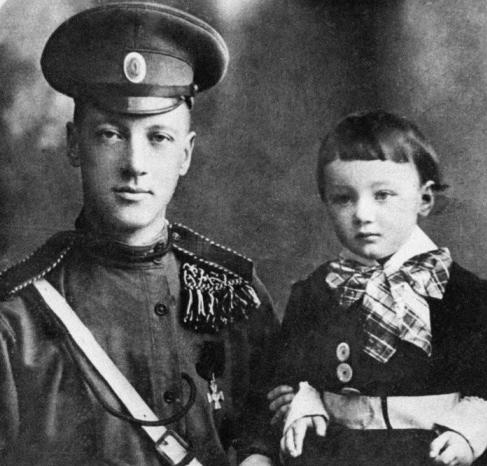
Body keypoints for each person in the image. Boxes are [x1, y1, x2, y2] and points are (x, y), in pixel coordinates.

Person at [0, 3, 278, 465]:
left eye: (158, 137)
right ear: (74, 143)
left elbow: (276, 431)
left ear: (186, 154)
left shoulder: (237, 297)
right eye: (111, 134)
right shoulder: (17, 321)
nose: (135, 164)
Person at [272, 110, 487, 465]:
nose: (362, 214)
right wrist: (304, 404)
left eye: (382, 195)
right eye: (343, 198)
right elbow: (291, 376)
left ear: (424, 199)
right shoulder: (316, 292)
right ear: (326, 202)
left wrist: (466, 434)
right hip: (339, 455)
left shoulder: (462, 293)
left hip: (431, 456)